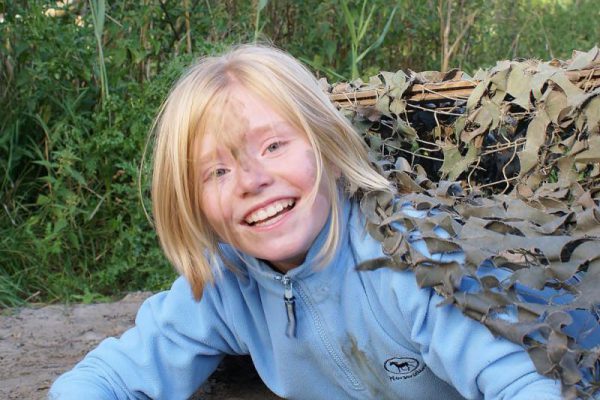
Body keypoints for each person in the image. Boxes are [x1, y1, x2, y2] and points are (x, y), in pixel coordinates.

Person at [49, 44, 562, 400]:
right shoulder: (227, 284)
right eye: (217, 171)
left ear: (327, 148)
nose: (251, 180)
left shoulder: (412, 260)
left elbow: (524, 382)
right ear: (193, 203)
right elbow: (110, 376)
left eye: (273, 146)